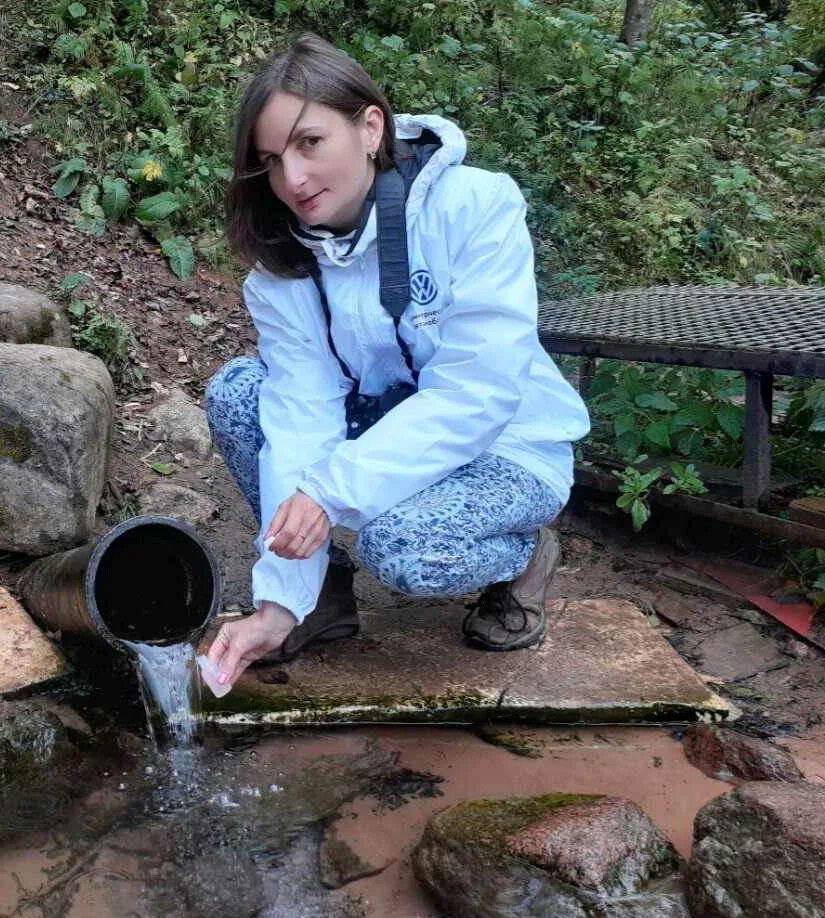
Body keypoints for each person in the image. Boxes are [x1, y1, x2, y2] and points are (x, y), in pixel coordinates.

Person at [203, 34, 590, 689]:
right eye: (272, 160)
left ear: (371, 127)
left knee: (404, 549)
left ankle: (523, 554)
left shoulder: (473, 208)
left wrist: (331, 491)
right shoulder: (283, 271)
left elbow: (478, 395)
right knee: (240, 394)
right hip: (386, 424)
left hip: (505, 443)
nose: (292, 180)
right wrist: (276, 604)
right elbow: (302, 414)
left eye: (310, 143)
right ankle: (316, 597)